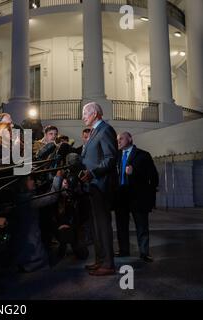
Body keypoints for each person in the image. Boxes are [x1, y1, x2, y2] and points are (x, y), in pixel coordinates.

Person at [80, 102, 118, 276]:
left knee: (102, 226)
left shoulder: (106, 130)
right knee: (95, 226)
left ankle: (108, 264)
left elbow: (110, 159)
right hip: (93, 185)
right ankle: (100, 260)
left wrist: (92, 173)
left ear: (94, 113)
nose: (83, 117)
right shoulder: (95, 131)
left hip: (101, 185)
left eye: (85, 113)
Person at [115, 132, 158, 263]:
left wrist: (135, 173)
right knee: (121, 225)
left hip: (137, 196)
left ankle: (144, 253)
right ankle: (123, 250)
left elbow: (153, 177)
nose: (119, 141)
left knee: (141, 225)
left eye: (121, 138)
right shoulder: (116, 156)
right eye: (117, 140)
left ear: (130, 139)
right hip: (121, 195)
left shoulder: (143, 155)